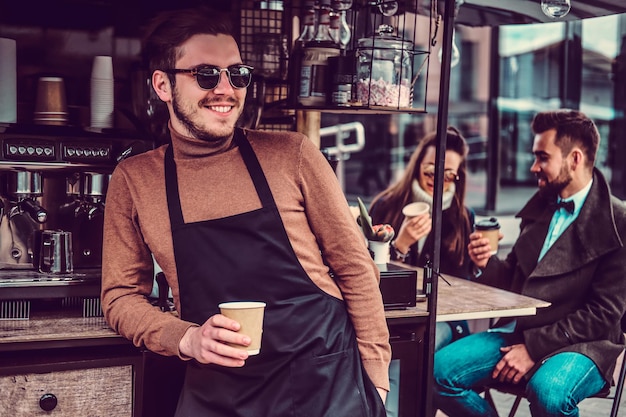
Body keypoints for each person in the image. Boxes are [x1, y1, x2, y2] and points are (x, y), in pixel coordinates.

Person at [100, 7, 390, 417]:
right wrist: (186, 338)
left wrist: (376, 380)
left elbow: (356, 267)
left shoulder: (292, 155)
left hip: (324, 387)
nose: (225, 89)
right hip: (219, 393)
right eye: (206, 74)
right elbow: (120, 296)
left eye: (236, 74)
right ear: (163, 84)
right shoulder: (135, 180)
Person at [433, 109, 626, 417]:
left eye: (542, 157)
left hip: (584, 344)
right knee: (437, 373)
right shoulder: (541, 206)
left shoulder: (618, 221)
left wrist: (534, 349)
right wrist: (484, 262)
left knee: (548, 393)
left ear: (574, 159)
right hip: (521, 329)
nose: (534, 167)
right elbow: (513, 279)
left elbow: (602, 314)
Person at [369, 126, 474, 351]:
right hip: (391, 316)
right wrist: (400, 246)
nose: (437, 180)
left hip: (443, 318)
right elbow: (367, 272)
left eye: (447, 175)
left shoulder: (464, 218)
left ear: (458, 176)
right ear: (417, 166)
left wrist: (482, 258)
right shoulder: (386, 206)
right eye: (430, 171)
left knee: (421, 342)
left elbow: (463, 286)